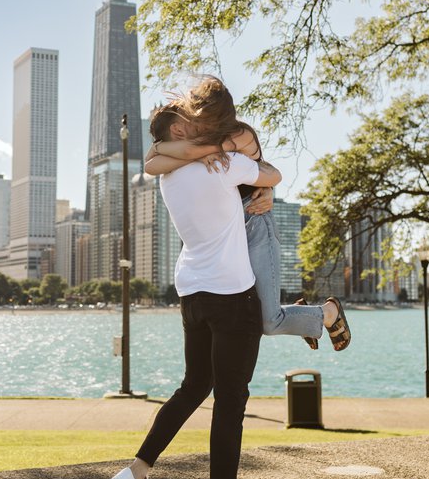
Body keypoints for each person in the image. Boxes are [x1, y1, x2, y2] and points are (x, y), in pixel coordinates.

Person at [110, 102, 279, 479]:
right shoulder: (224, 164)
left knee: (195, 386)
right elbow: (272, 173)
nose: (200, 124)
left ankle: (137, 471)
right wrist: (264, 185)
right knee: (230, 400)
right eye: (191, 122)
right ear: (180, 130)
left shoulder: (167, 174)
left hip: (192, 292)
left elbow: (157, 159)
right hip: (231, 292)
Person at [145, 76, 351, 352]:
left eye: (196, 114)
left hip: (255, 220)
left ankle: (327, 313)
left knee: (268, 322)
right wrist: (174, 150)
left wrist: (192, 153)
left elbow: (271, 175)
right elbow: (152, 164)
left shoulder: (238, 136)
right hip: (229, 228)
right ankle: (303, 317)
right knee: (260, 317)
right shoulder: (202, 141)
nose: (192, 119)